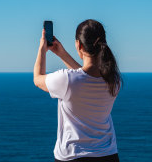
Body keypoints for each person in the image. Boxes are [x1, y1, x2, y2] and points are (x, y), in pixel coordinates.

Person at [33, 19, 122, 162]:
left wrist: (42, 48)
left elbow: (37, 79)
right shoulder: (114, 80)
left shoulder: (66, 80)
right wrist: (62, 54)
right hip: (108, 155)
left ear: (79, 45)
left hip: (73, 157)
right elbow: (83, 77)